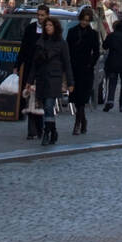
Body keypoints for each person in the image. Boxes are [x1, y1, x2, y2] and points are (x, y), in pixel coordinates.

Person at [32, 17, 73, 146]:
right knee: (45, 107)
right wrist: (29, 80)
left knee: (49, 106)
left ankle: (46, 132)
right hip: (42, 78)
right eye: (46, 25)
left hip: (54, 79)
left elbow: (67, 64)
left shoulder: (61, 43)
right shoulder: (40, 41)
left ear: (55, 27)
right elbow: (34, 64)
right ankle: (53, 131)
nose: (48, 27)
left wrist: (70, 82)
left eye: (50, 25)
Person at [16, 4, 49, 140]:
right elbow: (24, 48)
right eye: (38, 15)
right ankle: (31, 130)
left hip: (44, 70)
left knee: (40, 99)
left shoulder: (50, 30)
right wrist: (17, 65)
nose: (40, 17)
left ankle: (40, 127)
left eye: (42, 15)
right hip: (30, 68)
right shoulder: (30, 29)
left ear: (47, 15)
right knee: (29, 98)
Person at [67, 7, 99, 134]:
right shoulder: (72, 32)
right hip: (74, 68)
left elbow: (96, 52)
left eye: (87, 20)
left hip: (86, 70)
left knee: (82, 97)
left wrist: (90, 64)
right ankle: (83, 120)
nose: (84, 23)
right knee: (75, 97)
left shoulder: (93, 34)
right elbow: (67, 50)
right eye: (83, 20)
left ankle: (77, 123)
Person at [103, 15, 122, 112]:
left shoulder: (111, 35)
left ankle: (110, 100)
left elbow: (105, 46)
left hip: (113, 61)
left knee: (112, 82)